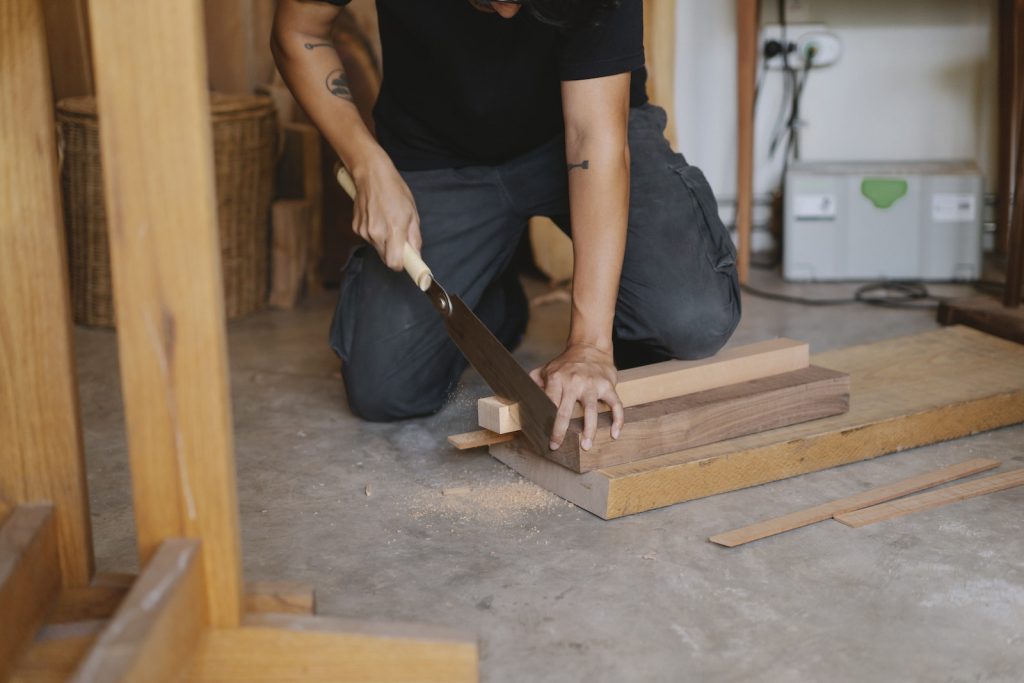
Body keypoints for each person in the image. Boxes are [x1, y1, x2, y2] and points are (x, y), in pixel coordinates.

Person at [271, 0, 740, 453]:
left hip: (580, 127)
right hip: (436, 150)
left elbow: (591, 135)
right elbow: (299, 30)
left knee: (692, 319)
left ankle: (614, 317)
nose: (512, 13)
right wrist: (366, 162)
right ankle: (494, 301)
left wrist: (590, 346)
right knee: (385, 390)